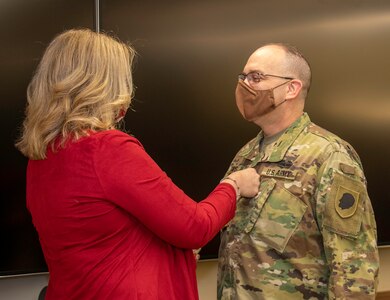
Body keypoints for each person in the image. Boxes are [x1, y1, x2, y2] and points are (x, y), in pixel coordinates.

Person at [15, 28, 260, 300]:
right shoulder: (106, 149)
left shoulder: (42, 156)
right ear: (104, 85)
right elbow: (195, 227)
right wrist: (233, 186)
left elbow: (106, 238)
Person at [217, 43, 379, 299]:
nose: (245, 85)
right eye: (243, 77)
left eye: (256, 77)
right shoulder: (246, 156)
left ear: (291, 88)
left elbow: (354, 268)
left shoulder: (329, 156)